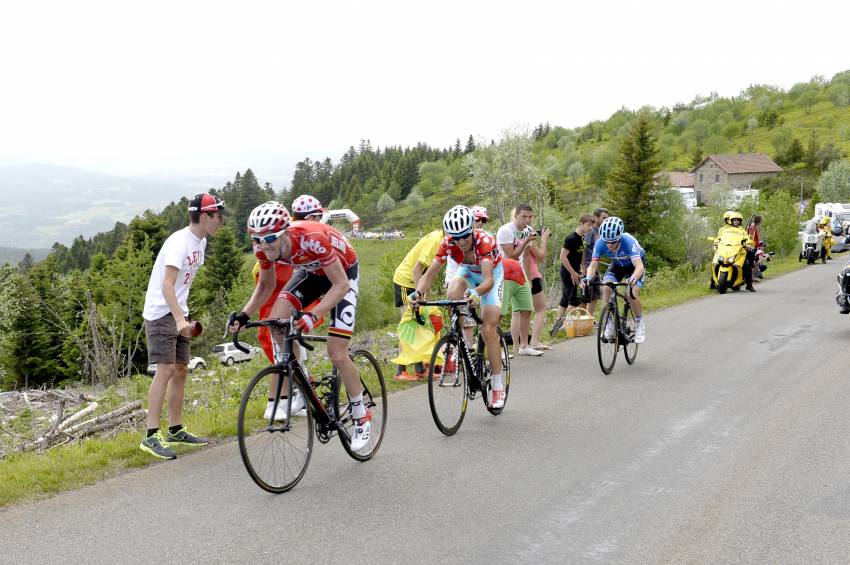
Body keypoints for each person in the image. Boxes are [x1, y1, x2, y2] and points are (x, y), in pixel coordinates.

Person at [230, 201, 371, 451]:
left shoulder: (311, 238)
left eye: (269, 238)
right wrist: (244, 314)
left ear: (285, 232)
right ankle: (298, 383)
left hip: (342, 274)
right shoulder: (263, 249)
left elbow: (340, 286)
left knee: (337, 352)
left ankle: (361, 415)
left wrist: (313, 315)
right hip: (310, 272)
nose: (262, 245)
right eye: (256, 239)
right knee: (277, 321)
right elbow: (265, 286)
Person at [140, 192, 228, 459]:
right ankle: (151, 436)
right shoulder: (180, 242)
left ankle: (175, 430)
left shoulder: (200, 244)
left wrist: (184, 317)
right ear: (204, 217)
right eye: (218, 217)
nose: (221, 222)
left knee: (180, 370)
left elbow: (182, 286)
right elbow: (167, 285)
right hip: (161, 312)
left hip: (180, 312)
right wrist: (179, 319)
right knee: (165, 369)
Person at [410, 205, 507, 408]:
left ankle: (498, 386)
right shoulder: (448, 243)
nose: (461, 242)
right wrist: (418, 293)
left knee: (488, 330)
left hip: (492, 275)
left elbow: (488, 280)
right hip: (468, 271)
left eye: (465, 236)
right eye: (456, 238)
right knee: (453, 293)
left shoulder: (484, 241)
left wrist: (476, 293)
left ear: (471, 229)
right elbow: (429, 275)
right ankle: (462, 340)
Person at [582, 216, 647, 344]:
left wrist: (633, 278)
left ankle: (639, 324)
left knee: (631, 293)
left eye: (613, 242)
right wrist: (588, 278)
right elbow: (593, 265)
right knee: (606, 287)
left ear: (619, 237)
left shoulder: (628, 242)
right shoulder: (600, 243)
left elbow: (639, 267)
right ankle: (609, 322)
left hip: (635, 265)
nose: (610, 245)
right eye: (607, 242)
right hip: (617, 264)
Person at [391, 228, 445, 380]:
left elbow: (429, 273)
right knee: (409, 325)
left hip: (417, 283)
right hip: (405, 281)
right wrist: (419, 297)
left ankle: (420, 368)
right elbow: (417, 270)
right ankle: (400, 372)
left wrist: (427, 297)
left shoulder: (444, 240)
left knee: (420, 324)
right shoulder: (436, 241)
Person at [496, 203, 543, 356]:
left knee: (527, 309)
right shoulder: (506, 230)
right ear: (516, 216)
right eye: (524, 216)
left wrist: (528, 279)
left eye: (530, 217)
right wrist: (527, 240)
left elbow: (527, 256)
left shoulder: (528, 231)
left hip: (519, 274)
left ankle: (524, 346)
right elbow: (512, 255)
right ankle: (496, 348)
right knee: (500, 313)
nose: (527, 220)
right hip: (502, 273)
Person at [551, 214, 595, 336]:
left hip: (576, 271)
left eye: (591, 225)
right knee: (573, 299)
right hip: (567, 272)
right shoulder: (571, 238)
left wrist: (582, 267)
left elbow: (582, 252)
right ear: (581, 224)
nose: (590, 227)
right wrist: (572, 272)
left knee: (565, 299)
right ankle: (565, 326)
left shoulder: (583, 238)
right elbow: (562, 257)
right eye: (588, 225)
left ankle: (557, 326)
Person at [525, 221, 552, 350]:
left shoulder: (513, 233)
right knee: (541, 309)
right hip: (532, 274)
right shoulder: (528, 235)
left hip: (517, 274)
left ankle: (519, 345)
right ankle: (534, 342)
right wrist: (544, 239)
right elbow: (540, 256)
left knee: (519, 312)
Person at [580, 208, 609, 318]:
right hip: (588, 265)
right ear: (596, 217)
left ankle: (590, 319)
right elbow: (583, 248)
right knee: (586, 294)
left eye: (607, 218)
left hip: (595, 265)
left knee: (595, 295)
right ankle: (583, 319)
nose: (606, 220)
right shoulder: (590, 231)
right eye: (604, 218)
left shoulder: (601, 231)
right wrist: (583, 267)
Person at [717, 211, 755, 291]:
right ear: (731, 221)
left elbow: (747, 239)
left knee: (746, 266)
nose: (736, 222)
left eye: (738, 220)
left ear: (740, 221)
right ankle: (715, 282)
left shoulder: (742, 231)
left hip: (739, 251)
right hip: (728, 250)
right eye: (734, 220)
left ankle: (749, 285)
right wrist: (717, 242)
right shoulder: (726, 230)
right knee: (716, 262)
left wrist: (747, 244)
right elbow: (719, 238)